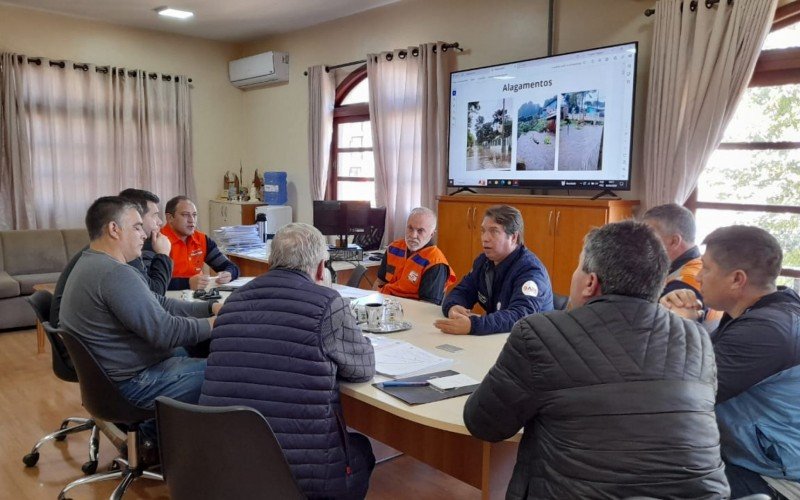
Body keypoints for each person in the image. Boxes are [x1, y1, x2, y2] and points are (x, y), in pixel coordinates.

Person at [463, 220, 730, 498]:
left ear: (591, 282)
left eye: (579, 267)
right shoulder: (696, 338)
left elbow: (484, 423)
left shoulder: (540, 333)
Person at [200, 223, 375, 499]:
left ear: (271, 261)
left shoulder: (233, 301)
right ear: (321, 268)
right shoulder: (328, 302)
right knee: (361, 452)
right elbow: (363, 368)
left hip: (225, 464)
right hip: (299, 477)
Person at [59, 196, 220, 439]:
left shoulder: (91, 263)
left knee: (195, 346)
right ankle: (157, 439)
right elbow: (166, 332)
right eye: (136, 227)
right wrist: (215, 323)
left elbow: (158, 303)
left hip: (111, 379)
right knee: (228, 369)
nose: (144, 235)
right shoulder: (114, 274)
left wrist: (209, 309)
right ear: (114, 229)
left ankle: (156, 435)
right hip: (132, 385)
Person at [661, 225, 800, 497]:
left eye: (707, 268)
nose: (698, 276)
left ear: (737, 279)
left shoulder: (767, 331)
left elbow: (683, 393)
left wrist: (682, 327)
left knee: (647, 475)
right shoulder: (761, 312)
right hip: (751, 457)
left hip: (774, 477)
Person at [50, 188, 173, 327]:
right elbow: (153, 296)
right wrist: (163, 254)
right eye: (155, 215)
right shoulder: (118, 252)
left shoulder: (104, 248)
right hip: (78, 336)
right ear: (135, 215)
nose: (160, 222)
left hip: (71, 333)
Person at [436, 205, 553, 335]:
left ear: (514, 237)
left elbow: (520, 316)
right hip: (499, 339)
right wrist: (453, 306)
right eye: (483, 231)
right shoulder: (483, 262)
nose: (485, 238)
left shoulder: (531, 270)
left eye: (494, 231)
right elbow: (462, 291)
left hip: (532, 344)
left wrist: (473, 325)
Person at [373, 207, 456, 305]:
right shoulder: (393, 248)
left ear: (432, 234)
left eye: (420, 231)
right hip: (385, 307)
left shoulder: (435, 262)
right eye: (410, 228)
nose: (413, 235)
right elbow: (379, 282)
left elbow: (427, 306)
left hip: (411, 312)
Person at [162, 195, 239, 290]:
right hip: (168, 299)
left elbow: (231, 267)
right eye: (185, 215)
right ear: (170, 218)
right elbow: (151, 283)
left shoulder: (201, 239)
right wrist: (188, 283)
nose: (192, 220)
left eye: (194, 215)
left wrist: (229, 274)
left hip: (198, 296)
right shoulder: (157, 241)